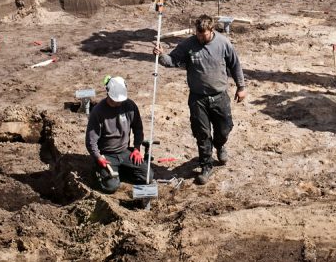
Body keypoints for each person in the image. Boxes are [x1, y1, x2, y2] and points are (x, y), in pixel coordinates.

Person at [153, 14, 246, 185]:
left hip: (220, 96)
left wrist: (241, 87)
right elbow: (173, 60)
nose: (200, 38)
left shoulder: (223, 43)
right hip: (198, 98)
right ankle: (206, 165)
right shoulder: (188, 45)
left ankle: (220, 145)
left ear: (212, 30)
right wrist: (161, 56)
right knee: (202, 134)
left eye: (204, 35)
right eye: (198, 34)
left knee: (225, 128)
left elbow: (235, 65)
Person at [85, 76, 147, 194]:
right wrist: (98, 157)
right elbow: (90, 141)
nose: (118, 103)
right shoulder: (98, 112)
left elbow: (138, 128)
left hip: (124, 152)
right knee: (111, 187)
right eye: (115, 101)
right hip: (107, 155)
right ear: (108, 94)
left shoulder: (130, 106)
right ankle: (99, 172)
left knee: (147, 176)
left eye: (120, 101)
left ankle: (120, 172)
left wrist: (137, 148)